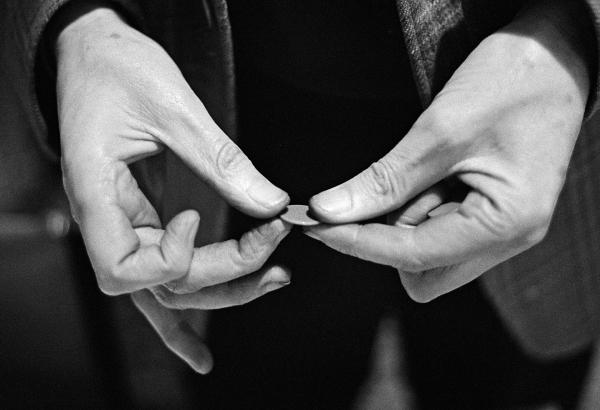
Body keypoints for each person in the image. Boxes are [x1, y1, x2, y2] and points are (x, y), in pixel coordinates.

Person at [3, 0, 600, 408]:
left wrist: (574, 31)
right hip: (223, 116)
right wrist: (81, 25)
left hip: (539, 150)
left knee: (496, 382)